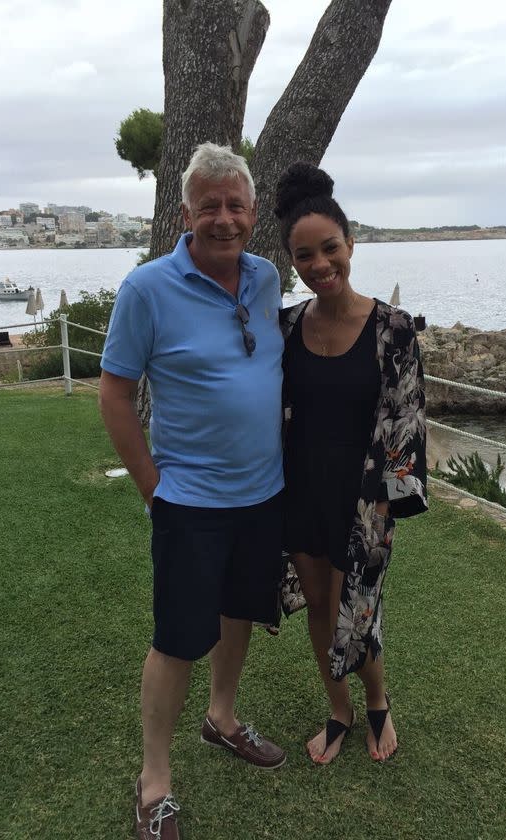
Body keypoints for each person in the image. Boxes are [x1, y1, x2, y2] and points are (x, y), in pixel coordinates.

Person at [99, 142, 286, 840]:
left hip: (263, 495)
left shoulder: (267, 278)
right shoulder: (148, 288)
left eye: (236, 205)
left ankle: (223, 719)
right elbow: (115, 393)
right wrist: (154, 488)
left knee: (238, 616)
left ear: (254, 212)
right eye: (209, 205)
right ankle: (153, 782)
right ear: (186, 213)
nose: (224, 218)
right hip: (190, 501)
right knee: (178, 639)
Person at [274, 163, 428, 765]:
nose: (320, 265)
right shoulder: (286, 327)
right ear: (292, 262)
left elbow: (407, 420)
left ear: (350, 243)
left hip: (363, 497)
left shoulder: (392, 330)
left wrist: (388, 503)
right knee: (319, 606)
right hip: (300, 491)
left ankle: (377, 703)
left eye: (329, 248)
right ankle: (338, 711)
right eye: (304, 255)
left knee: (356, 610)